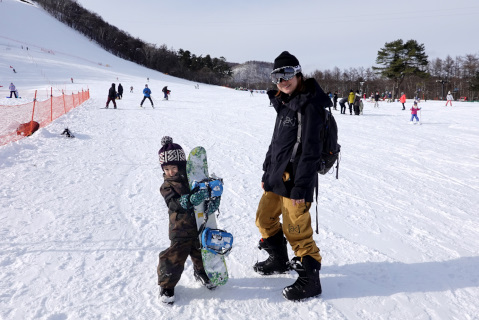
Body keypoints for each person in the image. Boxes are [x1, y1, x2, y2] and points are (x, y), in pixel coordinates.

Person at [253, 51, 325, 301]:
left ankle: (310, 281)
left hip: (297, 181)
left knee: (297, 232)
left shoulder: (310, 105)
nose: (282, 81)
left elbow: (311, 152)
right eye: (277, 76)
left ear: (298, 73)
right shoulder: (285, 102)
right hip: (276, 178)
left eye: (287, 74)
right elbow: (277, 143)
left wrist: (301, 188)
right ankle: (279, 260)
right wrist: (267, 171)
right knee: (264, 219)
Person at [157, 136, 215, 304]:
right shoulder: (167, 185)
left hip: (197, 225)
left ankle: (202, 272)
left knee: (200, 252)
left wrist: (210, 195)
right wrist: (186, 201)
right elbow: (172, 203)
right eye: (166, 169)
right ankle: (167, 285)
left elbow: (204, 192)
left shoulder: (193, 180)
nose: (170, 172)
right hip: (179, 228)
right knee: (174, 257)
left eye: (173, 167)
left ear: (181, 166)